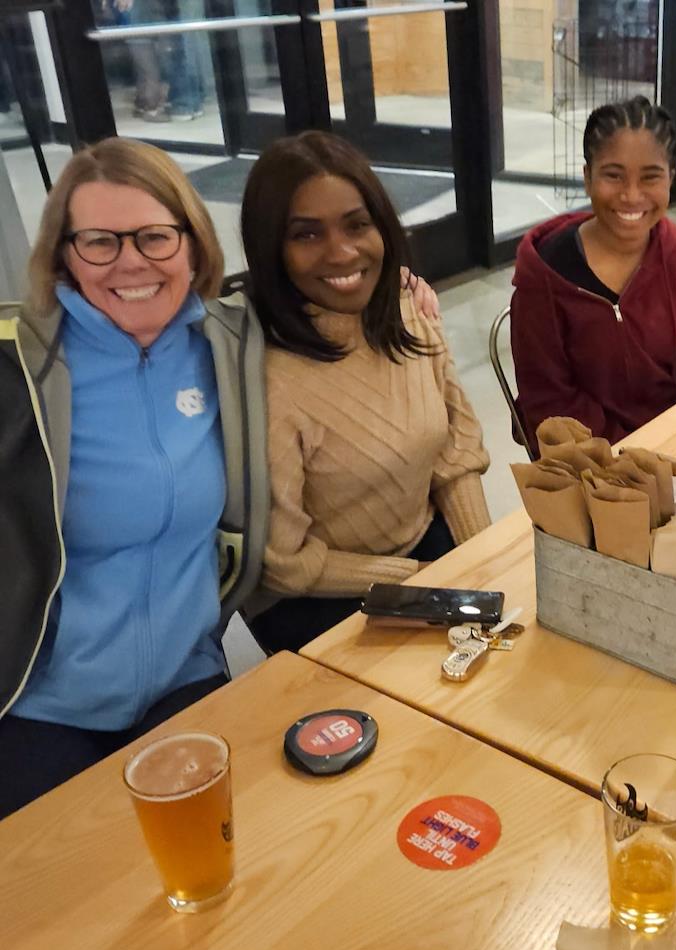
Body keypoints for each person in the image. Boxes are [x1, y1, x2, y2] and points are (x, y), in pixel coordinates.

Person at [0, 138, 269, 818]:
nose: (130, 262)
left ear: (193, 243)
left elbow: (334, 300)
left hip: (188, 678)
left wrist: (404, 296)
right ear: (63, 254)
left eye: (154, 236)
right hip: (42, 702)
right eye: (99, 242)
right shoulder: (18, 370)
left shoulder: (230, 342)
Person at [239, 131, 490, 654]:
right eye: (307, 234)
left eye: (357, 224)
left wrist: (483, 563)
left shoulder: (406, 309)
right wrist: (421, 582)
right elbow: (285, 565)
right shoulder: (266, 379)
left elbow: (456, 454)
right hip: (318, 594)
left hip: (422, 543)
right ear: (270, 249)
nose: (342, 251)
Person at [511, 95, 676, 451]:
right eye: (613, 175)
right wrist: (631, 456)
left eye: (650, 177)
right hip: (585, 460)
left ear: (671, 178)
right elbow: (548, 401)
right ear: (587, 177)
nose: (631, 195)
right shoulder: (544, 276)